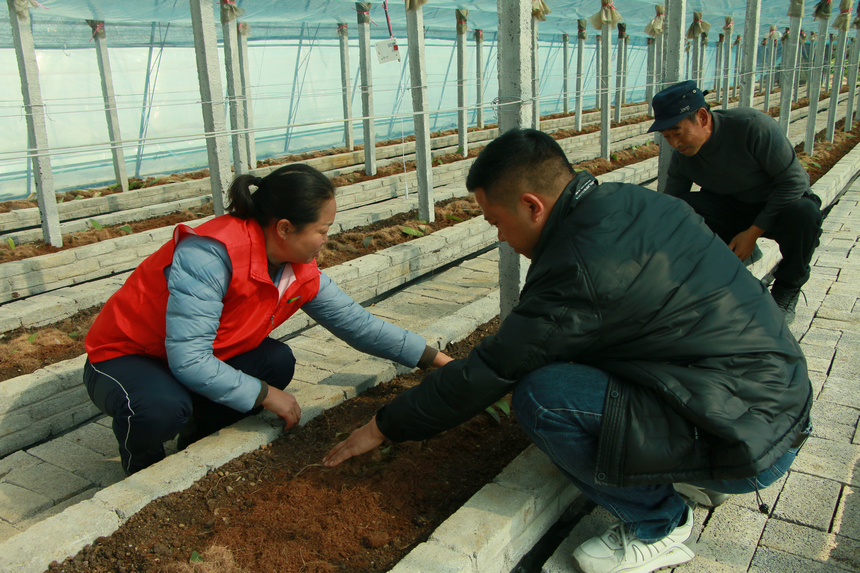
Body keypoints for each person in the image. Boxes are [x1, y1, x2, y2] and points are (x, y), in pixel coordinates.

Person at [322, 129, 811, 573]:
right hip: (773, 403)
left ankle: (660, 523)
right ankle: (704, 466)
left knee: (542, 395)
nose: (500, 238)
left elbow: (495, 366)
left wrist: (385, 424)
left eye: (497, 220)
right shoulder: (634, 203)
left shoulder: (578, 268)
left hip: (749, 436)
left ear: (533, 206)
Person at [84, 164, 451, 475]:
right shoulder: (211, 256)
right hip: (128, 356)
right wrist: (263, 395)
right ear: (285, 228)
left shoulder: (297, 270)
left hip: (194, 356)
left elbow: (358, 325)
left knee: (275, 361)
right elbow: (189, 359)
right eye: (322, 230)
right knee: (160, 409)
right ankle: (141, 470)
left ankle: (197, 442)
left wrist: (436, 361)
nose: (326, 239)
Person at [650, 80, 823, 323]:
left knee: (805, 214)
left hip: (777, 206)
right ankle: (718, 281)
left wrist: (751, 234)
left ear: (701, 116)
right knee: (685, 209)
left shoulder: (751, 127)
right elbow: (671, 206)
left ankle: (787, 290)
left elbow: (794, 183)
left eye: (677, 132)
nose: (674, 143)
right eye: (666, 136)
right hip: (731, 207)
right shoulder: (683, 156)